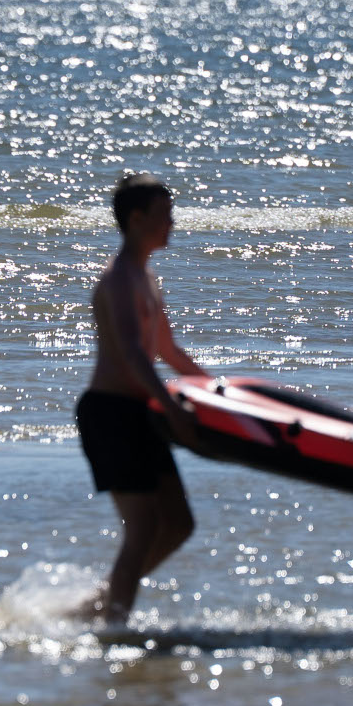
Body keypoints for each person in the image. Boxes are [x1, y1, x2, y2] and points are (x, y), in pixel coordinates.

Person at [76, 174, 208, 628]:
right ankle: (114, 627)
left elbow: (168, 351)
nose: (172, 222)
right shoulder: (118, 280)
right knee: (144, 527)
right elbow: (133, 354)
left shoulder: (146, 277)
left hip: (140, 412)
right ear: (136, 219)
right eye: (163, 214)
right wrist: (172, 409)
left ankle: (99, 603)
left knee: (178, 524)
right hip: (110, 413)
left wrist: (220, 394)